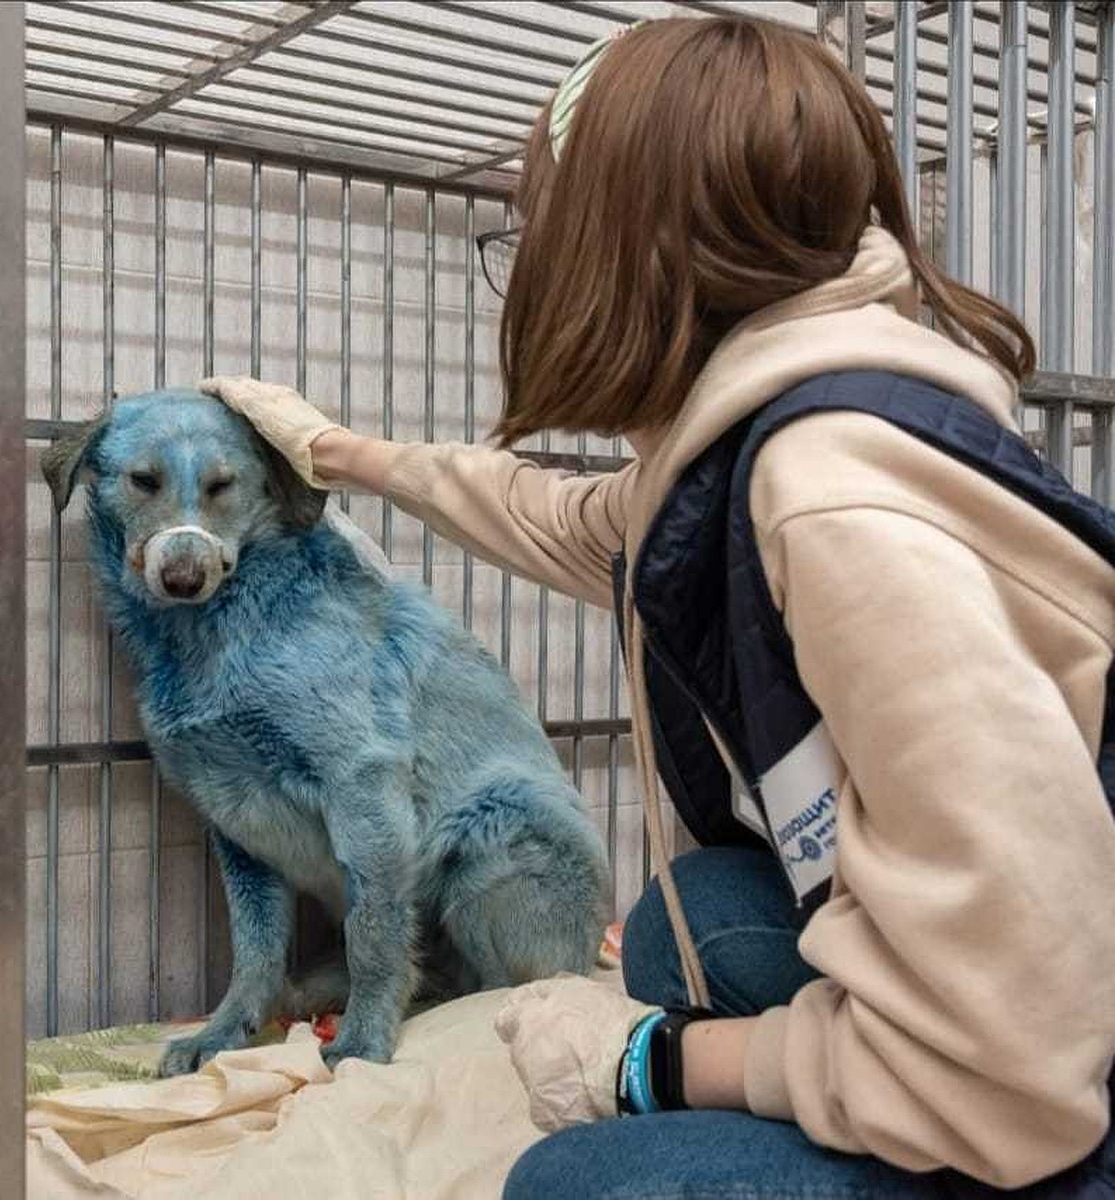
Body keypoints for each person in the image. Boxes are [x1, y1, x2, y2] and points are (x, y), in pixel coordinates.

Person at [200, 15, 1115, 1199]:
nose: (530, 261)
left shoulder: (832, 499)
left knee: (572, 1181)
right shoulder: (749, 447)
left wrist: (654, 1063)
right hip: (1030, 987)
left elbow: (1013, 1076)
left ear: (626, 243)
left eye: (540, 228)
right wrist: (336, 451)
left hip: (1048, 1080)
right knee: (702, 910)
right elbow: (566, 517)